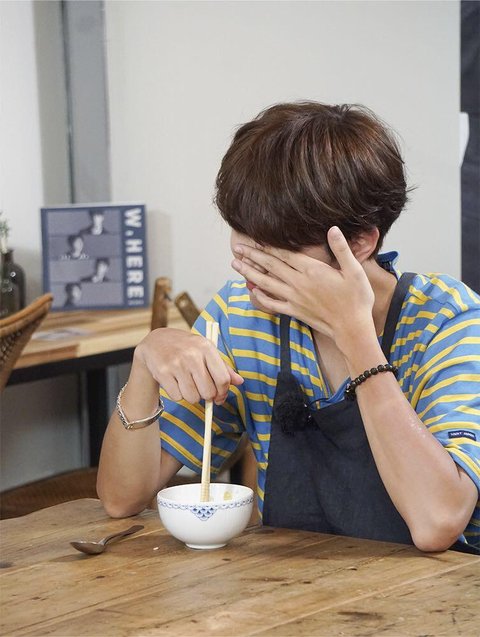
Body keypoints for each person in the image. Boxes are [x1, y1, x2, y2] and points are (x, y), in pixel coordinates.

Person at [97, 102, 480, 554]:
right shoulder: (240, 314)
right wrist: (145, 363)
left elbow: (438, 520)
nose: (249, 266)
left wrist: (353, 335)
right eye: (242, 237)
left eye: (276, 252)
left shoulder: (445, 320)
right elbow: (122, 499)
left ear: (359, 242)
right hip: (290, 584)